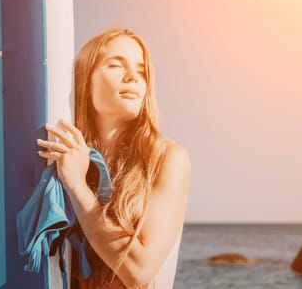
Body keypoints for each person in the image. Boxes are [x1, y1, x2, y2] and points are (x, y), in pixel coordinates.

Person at [36, 26, 191, 288]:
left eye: (142, 71)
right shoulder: (68, 161)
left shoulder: (167, 158)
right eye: (116, 65)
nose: (133, 77)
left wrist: (78, 187)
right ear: (86, 81)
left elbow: (138, 271)